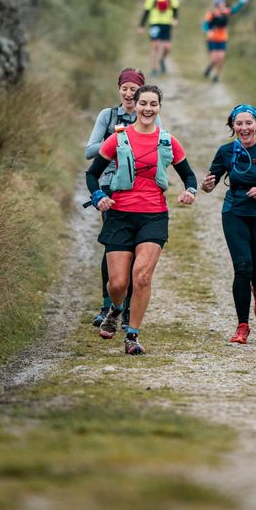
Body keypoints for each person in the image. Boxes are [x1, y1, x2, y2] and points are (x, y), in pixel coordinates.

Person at [85, 84, 197, 355]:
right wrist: (99, 195)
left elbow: (189, 175)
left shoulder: (167, 141)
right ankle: (116, 307)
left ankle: (132, 335)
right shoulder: (118, 138)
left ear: (159, 107)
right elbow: (92, 174)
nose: (148, 109)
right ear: (134, 106)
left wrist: (190, 191)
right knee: (119, 283)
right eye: (143, 103)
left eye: (153, 104)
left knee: (142, 277)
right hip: (120, 214)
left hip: (153, 215)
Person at [85, 68, 161, 329]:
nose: (128, 94)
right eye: (125, 88)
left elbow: (161, 148)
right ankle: (109, 304)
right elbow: (89, 151)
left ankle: (128, 307)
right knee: (114, 247)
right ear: (119, 90)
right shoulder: (107, 116)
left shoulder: (148, 115)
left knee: (135, 251)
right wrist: (118, 140)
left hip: (140, 189)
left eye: (133, 89)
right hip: (109, 185)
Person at [201, 104, 256, 344]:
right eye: (239, 123)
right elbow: (210, 184)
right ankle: (242, 326)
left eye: (249, 123)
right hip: (235, 213)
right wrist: (206, 186)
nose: (244, 128)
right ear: (233, 127)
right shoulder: (226, 151)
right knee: (242, 268)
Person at [202, 0, 249, 82]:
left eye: (223, 3)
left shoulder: (225, 11)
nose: (223, 4)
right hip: (212, 39)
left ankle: (216, 76)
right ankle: (210, 67)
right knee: (215, 58)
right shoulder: (211, 13)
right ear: (217, 5)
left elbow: (236, 9)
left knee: (222, 58)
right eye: (221, 3)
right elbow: (205, 24)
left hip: (222, 39)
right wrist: (208, 31)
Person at [138, 0, 180, 77]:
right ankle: (154, 69)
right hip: (155, 23)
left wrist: (175, 19)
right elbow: (146, 11)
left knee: (167, 47)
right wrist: (141, 25)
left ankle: (162, 60)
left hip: (167, 24)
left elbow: (175, 8)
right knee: (155, 45)